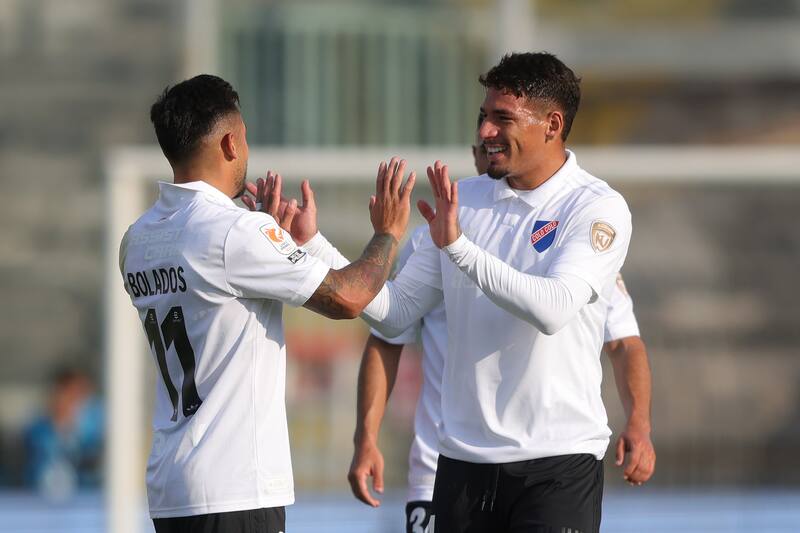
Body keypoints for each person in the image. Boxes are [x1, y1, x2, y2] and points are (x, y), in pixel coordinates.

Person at [293, 51, 637, 532]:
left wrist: (458, 247)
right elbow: (395, 315)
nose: (485, 132)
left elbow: (554, 309)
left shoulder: (596, 207)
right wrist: (313, 246)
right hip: (460, 465)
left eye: (502, 119)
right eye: (483, 117)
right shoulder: (464, 201)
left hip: (556, 463)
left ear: (552, 125)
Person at [119, 74, 415, 533]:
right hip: (235, 488)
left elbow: (216, 291)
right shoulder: (234, 232)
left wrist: (277, 242)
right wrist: (388, 232)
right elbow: (351, 298)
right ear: (230, 143)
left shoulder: (137, 238)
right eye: (247, 138)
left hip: (171, 487)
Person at [347, 132, 655, 532]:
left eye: (501, 129)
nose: (490, 148)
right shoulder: (435, 233)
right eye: (482, 142)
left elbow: (623, 342)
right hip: (445, 463)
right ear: (474, 153)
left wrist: (640, 423)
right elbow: (388, 333)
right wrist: (365, 436)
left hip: (550, 458)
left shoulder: (577, 237)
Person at [24, 368, 103, 498]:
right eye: (71, 395)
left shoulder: (93, 432)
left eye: (81, 397)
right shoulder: (38, 432)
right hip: (39, 504)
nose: (75, 403)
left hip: (85, 504)